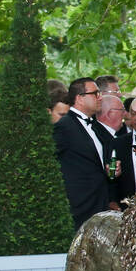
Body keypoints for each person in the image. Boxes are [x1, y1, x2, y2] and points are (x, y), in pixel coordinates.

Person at [53, 77, 109, 229]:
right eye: (95, 93)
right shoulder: (64, 127)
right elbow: (49, 162)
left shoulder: (97, 127)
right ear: (80, 98)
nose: (100, 97)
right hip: (78, 208)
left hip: (101, 205)